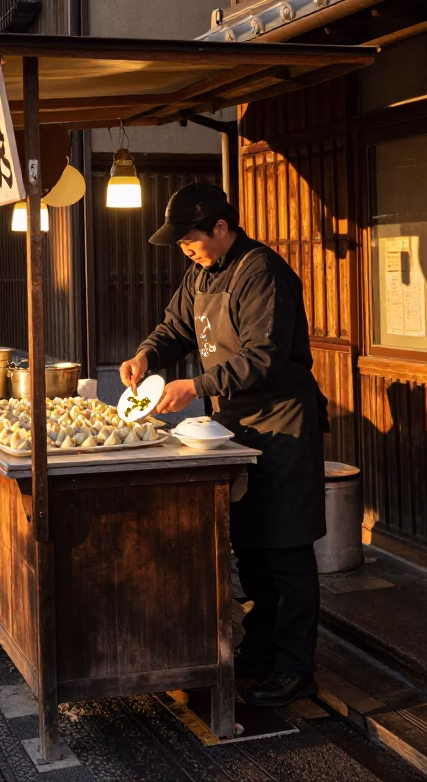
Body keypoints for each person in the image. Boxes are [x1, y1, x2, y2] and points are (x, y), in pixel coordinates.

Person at [119, 183, 327, 708]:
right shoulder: (200, 274)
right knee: (251, 545)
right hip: (236, 424)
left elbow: (264, 356)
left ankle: (296, 667)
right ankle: (260, 649)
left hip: (283, 423)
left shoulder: (262, 271)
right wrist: (147, 356)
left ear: (220, 227)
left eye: (191, 239)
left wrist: (195, 387)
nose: (186, 250)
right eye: (181, 244)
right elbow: (175, 328)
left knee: (287, 548)